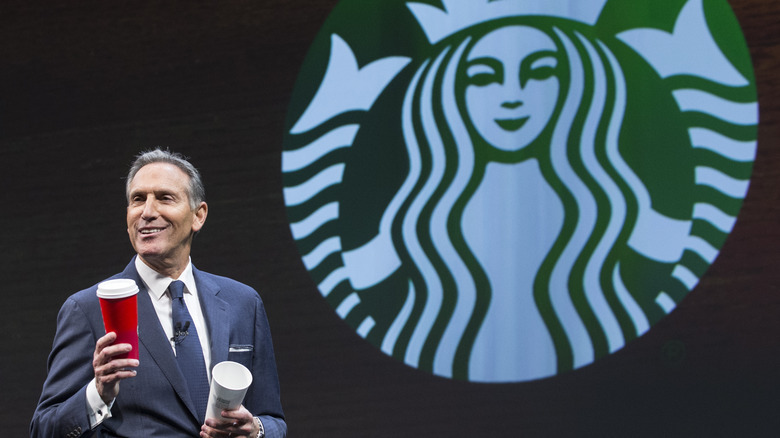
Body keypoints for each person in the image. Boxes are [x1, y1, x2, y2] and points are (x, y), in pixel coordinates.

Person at [31, 149, 286, 437]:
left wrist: (256, 431)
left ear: (198, 216)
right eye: (138, 199)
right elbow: (44, 428)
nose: (148, 212)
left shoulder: (243, 303)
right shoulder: (89, 308)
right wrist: (98, 393)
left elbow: (272, 419)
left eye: (164, 197)